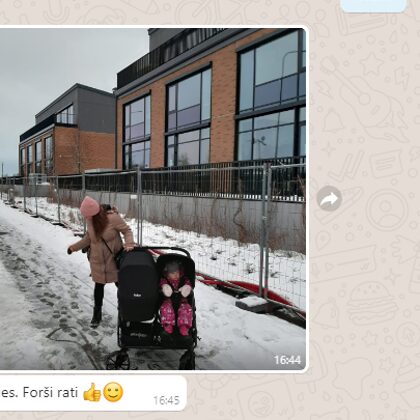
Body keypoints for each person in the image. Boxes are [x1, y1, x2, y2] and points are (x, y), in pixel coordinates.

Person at [67, 196, 135, 327]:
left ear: (94, 212)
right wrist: (73, 248)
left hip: (113, 260)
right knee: (98, 288)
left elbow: (127, 231)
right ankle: (96, 316)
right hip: (97, 262)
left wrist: (129, 244)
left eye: (88, 216)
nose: (87, 218)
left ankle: (125, 313)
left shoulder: (112, 218)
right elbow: (88, 239)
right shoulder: (91, 220)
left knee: (122, 288)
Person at [159, 260, 193, 336]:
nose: (176, 275)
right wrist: (165, 287)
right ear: (167, 274)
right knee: (166, 309)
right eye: (173, 273)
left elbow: (188, 284)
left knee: (186, 309)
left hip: (182, 301)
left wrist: (187, 287)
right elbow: (162, 284)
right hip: (168, 301)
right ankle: (168, 325)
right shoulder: (165, 280)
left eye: (177, 272)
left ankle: (184, 327)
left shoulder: (183, 280)